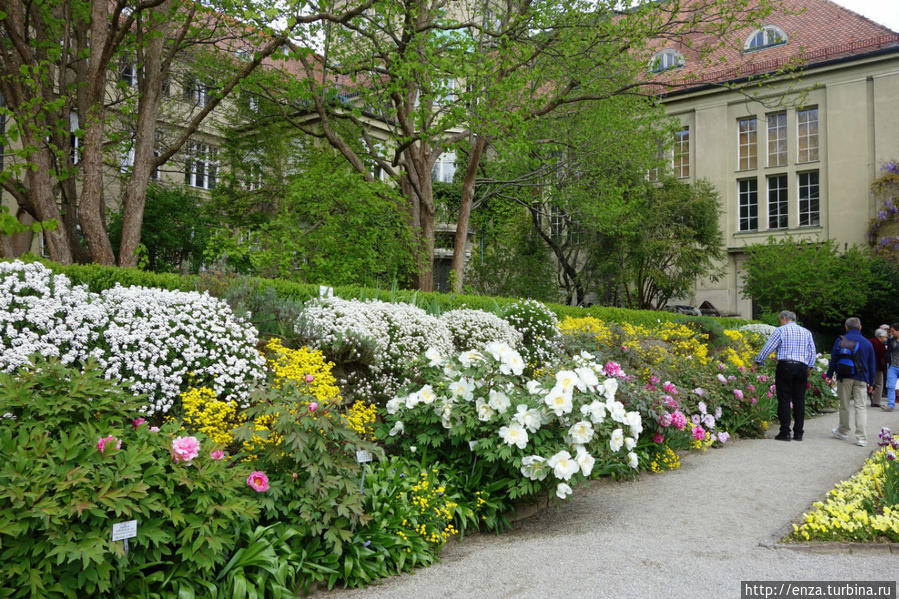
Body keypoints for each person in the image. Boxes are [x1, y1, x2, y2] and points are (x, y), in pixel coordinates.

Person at [751, 310, 816, 442]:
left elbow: (768, 347)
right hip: (802, 367)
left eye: (780, 320)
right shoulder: (806, 332)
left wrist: (758, 362)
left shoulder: (781, 330)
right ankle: (798, 433)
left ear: (784, 318)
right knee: (799, 400)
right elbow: (812, 352)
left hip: (785, 366)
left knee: (784, 399)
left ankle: (785, 432)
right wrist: (808, 367)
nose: (779, 322)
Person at [826, 317, 876, 447]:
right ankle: (861, 438)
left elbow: (834, 359)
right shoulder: (867, 343)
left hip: (844, 377)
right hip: (861, 378)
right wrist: (871, 382)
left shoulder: (840, 340)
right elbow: (872, 365)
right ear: (860, 327)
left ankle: (843, 431)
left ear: (846, 327)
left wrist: (829, 375)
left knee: (844, 405)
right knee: (861, 407)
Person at [869, 328, 887, 407]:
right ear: (881, 336)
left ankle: (871, 395)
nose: (885, 338)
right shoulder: (880, 345)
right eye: (885, 337)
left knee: (869, 382)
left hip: (869, 365)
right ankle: (876, 401)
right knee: (879, 384)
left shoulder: (869, 342)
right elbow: (882, 356)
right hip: (878, 366)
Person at [884, 323, 899, 412]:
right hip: (892, 366)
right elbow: (888, 351)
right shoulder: (891, 340)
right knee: (890, 386)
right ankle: (890, 405)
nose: (891, 333)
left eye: (893, 331)